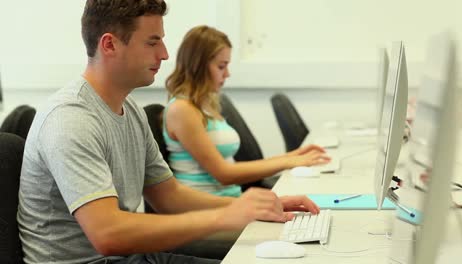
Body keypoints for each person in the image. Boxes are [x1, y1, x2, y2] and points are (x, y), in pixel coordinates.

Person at [17, 1, 322, 264]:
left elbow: (170, 198)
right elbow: (107, 234)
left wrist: (259, 205)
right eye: (152, 42)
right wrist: (225, 216)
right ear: (109, 45)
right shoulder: (70, 119)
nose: (164, 54)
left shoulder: (130, 110)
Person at [164, 25, 331, 197]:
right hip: (208, 210)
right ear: (197, 65)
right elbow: (224, 174)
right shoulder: (182, 110)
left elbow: (229, 167)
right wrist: (288, 162)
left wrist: (293, 156)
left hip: (230, 202)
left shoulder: (205, 105)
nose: (227, 74)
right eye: (221, 66)